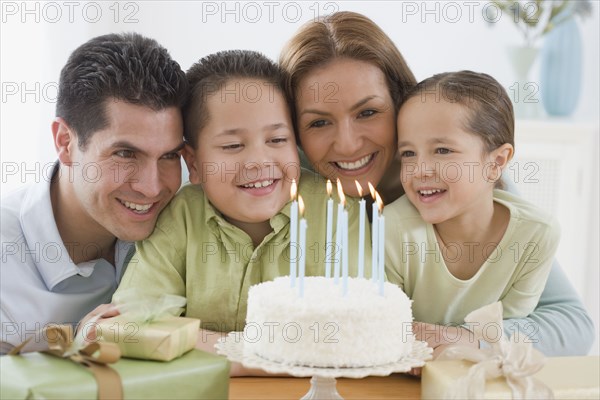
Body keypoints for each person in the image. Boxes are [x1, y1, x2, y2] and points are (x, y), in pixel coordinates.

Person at [279, 11, 594, 356]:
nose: (349, 143)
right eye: (319, 123)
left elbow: (572, 323)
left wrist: (463, 339)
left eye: (368, 112)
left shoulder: (463, 179)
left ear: (401, 102)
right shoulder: (290, 182)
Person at [112, 50, 370, 368]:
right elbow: (130, 327)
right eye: (233, 146)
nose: (259, 162)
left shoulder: (338, 210)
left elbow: (361, 329)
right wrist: (267, 356)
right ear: (193, 163)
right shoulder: (181, 217)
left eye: (277, 140)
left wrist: (194, 340)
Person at [0, 33, 188, 353]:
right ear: (65, 142)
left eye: (169, 156)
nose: (153, 187)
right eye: (125, 154)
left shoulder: (185, 223)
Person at [385, 70, 559, 343]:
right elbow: (387, 331)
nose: (419, 170)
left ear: (497, 162)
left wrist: (454, 339)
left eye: (442, 150)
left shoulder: (536, 235)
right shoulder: (393, 228)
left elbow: (510, 334)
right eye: (408, 153)